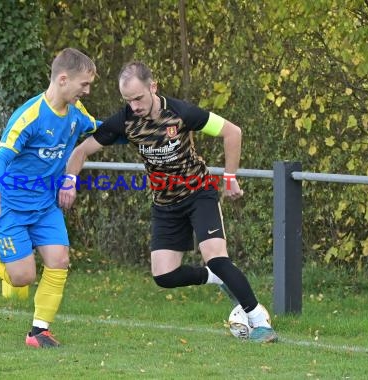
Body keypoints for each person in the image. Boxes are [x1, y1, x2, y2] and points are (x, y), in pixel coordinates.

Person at [58, 61, 278, 343]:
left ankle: (259, 320)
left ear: (153, 87)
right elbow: (81, 151)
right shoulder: (124, 122)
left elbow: (232, 132)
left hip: (199, 193)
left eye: (138, 98)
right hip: (165, 204)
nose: (134, 106)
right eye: (128, 100)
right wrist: (70, 181)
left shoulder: (181, 112)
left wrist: (230, 176)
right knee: (164, 276)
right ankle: (216, 278)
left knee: (217, 257)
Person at [0, 48, 99, 348]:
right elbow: (0, 161)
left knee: (60, 260)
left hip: (45, 207)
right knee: (21, 278)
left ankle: (39, 332)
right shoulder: (30, 116)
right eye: (84, 84)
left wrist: (142, 125)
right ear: (63, 79)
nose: (87, 91)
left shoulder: (77, 115)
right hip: (12, 207)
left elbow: (103, 132)